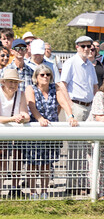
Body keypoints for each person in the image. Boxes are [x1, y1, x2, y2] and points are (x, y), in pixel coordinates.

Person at [59, 35, 95, 196]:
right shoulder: (70, 63)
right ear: (77, 47)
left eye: (89, 46)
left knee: (89, 149)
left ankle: (85, 184)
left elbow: (95, 88)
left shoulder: (91, 66)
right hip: (76, 105)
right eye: (83, 46)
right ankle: (73, 185)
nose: (87, 49)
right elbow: (62, 86)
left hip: (90, 107)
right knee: (75, 148)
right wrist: (70, 110)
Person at [25, 64, 65, 199]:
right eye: (42, 74)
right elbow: (31, 105)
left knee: (46, 163)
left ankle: (44, 191)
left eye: (48, 74)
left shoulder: (55, 88)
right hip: (35, 130)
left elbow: (62, 103)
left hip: (50, 131)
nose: (45, 77)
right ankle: (32, 192)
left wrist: (70, 116)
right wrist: (40, 118)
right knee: (32, 163)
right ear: (36, 77)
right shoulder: (31, 88)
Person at [0, 69, 31, 198]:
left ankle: (14, 188)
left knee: (18, 159)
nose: (13, 85)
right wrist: (13, 118)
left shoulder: (21, 94)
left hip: (15, 132)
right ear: (3, 82)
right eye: (10, 82)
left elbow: (26, 114)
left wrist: (22, 117)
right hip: (2, 131)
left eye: (16, 82)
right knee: (2, 162)